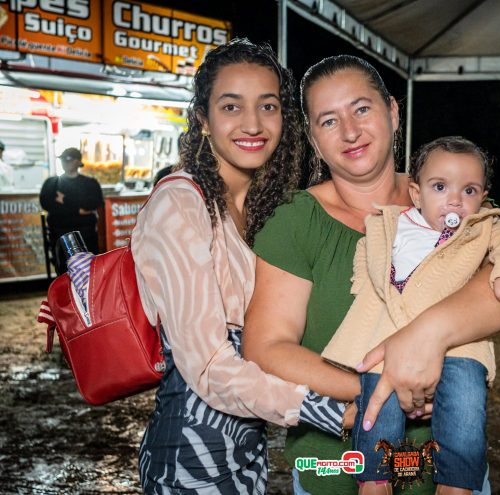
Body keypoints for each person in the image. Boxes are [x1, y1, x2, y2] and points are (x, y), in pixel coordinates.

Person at [243, 54, 500, 494]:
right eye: (328, 120)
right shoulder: (296, 221)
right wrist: (382, 386)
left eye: (361, 109)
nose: (349, 131)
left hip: (447, 469)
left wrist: (428, 335)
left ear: (393, 111)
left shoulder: (446, 196)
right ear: (312, 137)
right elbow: (266, 346)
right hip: (336, 468)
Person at [130, 38, 351, 494]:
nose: (253, 124)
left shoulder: (258, 206)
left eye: (267, 106)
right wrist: (328, 406)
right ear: (203, 121)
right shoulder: (180, 204)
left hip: (246, 450)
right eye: (232, 107)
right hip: (190, 458)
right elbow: (210, 366)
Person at [321, 136, 500, 494]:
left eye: (469, 190)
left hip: (459, 342)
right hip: (391, 331)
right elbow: (368, 249)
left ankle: (457, 483)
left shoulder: (482, 227)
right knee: (375, 403)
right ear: (417, 195)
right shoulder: (394, 224)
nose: (454, 200)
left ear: (482, 196)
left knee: (465, 410)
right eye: (440, 187)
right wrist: (361, 285)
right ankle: (373, 479)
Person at [39, 147, 104, 274]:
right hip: (59, 233)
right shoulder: (51, 183)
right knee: (63, 272)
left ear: (79, 162)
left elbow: (95, 202)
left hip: (86, 234)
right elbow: (46, 203)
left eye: (69, 159)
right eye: (63, 159)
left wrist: (65, 200)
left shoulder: (90, 183)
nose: (66, 162)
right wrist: (79, 209)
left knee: (89, 270)